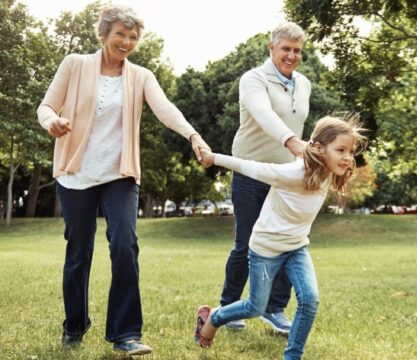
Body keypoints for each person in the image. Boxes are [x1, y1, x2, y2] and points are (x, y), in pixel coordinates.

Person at [36, 4, 210, 356]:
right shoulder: (74, 64)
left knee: (125, 245)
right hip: (77, 173)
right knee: (79, 252)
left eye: (133, 37)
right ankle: (74, 327)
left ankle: (126, 334)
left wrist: (194, 136)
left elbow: (165, 109)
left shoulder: (141, 76)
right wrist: (51, 121)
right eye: (120, 35)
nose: (127, 42)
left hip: (120, 174)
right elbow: (46, 106)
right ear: (103, 35)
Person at [194, 115, 368, 360]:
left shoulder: (328, 170)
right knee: (255, 307)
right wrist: (214, 158)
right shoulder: (292, 173)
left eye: (350, 151)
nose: (348, 157)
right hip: (266, 250)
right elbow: (252, 167)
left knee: (310, 300)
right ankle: (214, 317)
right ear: (318, 148)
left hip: (297, 248)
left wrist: (337, 156)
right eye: (340, 150)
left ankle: (292, 356)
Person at [219, 21, 311, 333]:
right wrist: (291, 142)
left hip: (286, 176)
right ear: (271, 47)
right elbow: (263, 113)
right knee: (246, 243)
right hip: (251, 170)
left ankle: (274, 309)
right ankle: (230, 306)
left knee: (286, 241)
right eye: (285, 48)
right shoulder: (253, 79)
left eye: (297, 50)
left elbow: (297, 126)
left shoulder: (305, 83)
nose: (291, 55)